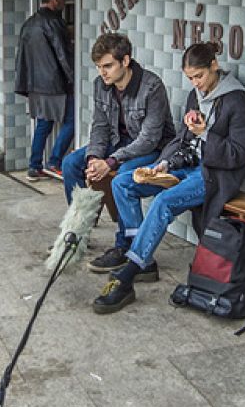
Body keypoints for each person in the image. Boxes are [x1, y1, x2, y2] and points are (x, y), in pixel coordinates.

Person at [93, 41, 245, 313]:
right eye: (190, 78)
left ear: (214, 66)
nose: (196, 84)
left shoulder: (236, 100)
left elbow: (239, 154)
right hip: (187, 165)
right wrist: (164, 163)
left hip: (214, 174)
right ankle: (138, 252)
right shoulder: (196, 95)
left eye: (199, 76)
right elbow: (182, 139)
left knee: (163, 202)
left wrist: (205, 134)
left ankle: (130, 272)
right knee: (123, 182)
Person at [60, 33, 175, 257]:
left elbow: (149, 138)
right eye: (99, 66)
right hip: (117, 142)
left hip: (153, 149)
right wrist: (94, 157)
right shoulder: (101, 85)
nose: (102, 72)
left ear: (125, 61)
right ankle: (79, 233)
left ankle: (124, 245)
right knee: (71, 163)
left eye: (108, 66)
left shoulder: (152, 86)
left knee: (123, 172)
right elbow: (100, 126)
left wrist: (111, 161)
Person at [14, 0, 74, 181]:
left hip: (34, 84)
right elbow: (62, 54)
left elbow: (21, 57)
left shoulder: (29, 23)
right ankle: (55, 161)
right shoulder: (53, 23)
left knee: (43, 124)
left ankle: (34, 166)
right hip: (54, 84)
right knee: (72, 121)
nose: (64, 2)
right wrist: (73, 78)